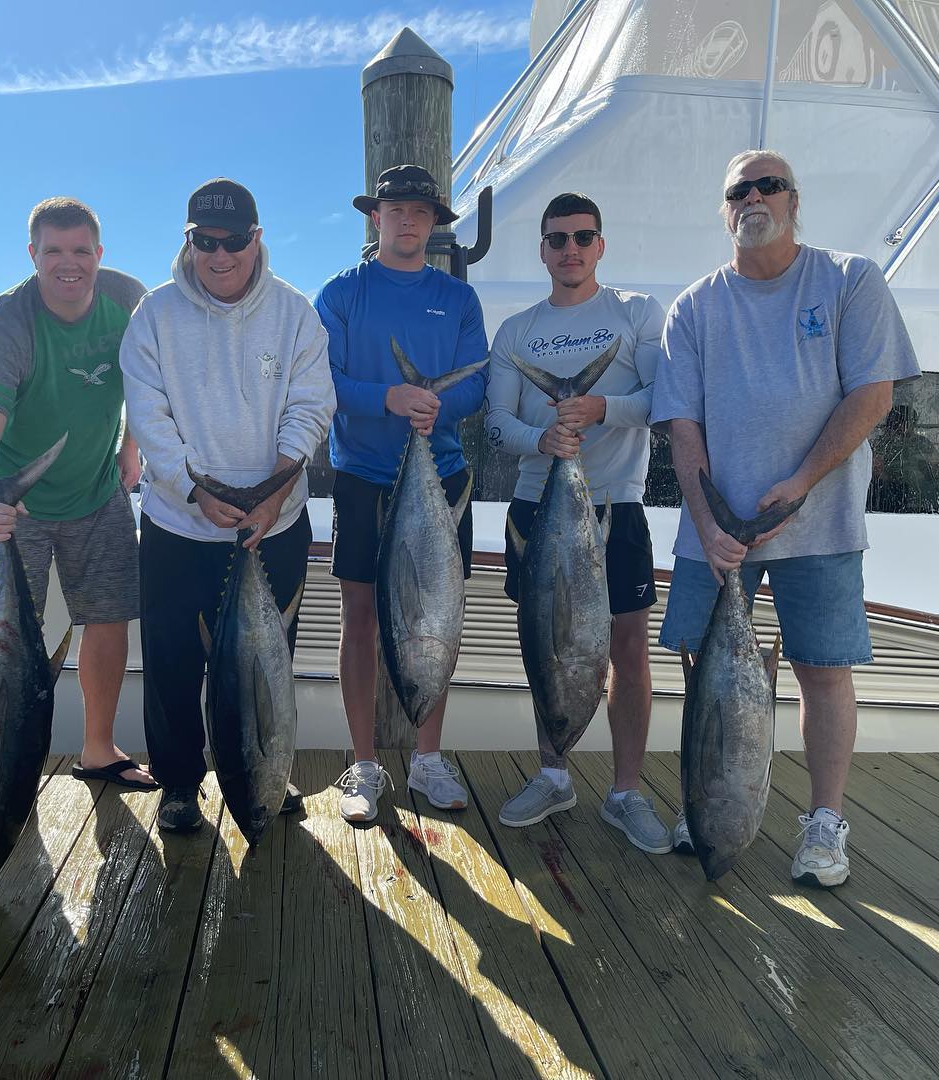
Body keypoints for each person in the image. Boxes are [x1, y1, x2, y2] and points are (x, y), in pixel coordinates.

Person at [651, 150, 920, 887]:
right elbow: (682, 427)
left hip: (819, 522)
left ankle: (825, 823)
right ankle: (707, 800)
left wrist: (800, 483)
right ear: (725, 210)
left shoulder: (850, 279)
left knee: (823, 674)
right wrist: (708, 524)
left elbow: (873, 396)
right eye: (739, 190)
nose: (754, 198)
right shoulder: (693, 308)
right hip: (716, 535)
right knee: (698, 673)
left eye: (770, 186)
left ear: (794, 202)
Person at [119, 178, 335, 832]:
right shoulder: (153, 315)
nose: (219, 255)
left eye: (233, 240)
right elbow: (148, 415)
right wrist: (192, 488)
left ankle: (268, 769)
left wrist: (275, 491)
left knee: (269, 667)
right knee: (172, 664)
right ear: (189, 241)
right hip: (178, 524)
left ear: (256, 238)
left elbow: (312, 404)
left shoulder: (295, 313)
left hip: (276, 523)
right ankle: (180, 784)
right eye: (204, 242)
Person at [486, 191, 670, 852]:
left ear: (600, 245)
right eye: (557, 238)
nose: (570, 249)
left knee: (628, 648)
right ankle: (553, 775)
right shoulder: (516, 332)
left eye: (582, 237)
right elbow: (497, 422)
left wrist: (599, 410)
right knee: (546, 642)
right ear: (542, 249)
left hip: (616, 503)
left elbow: (660, 399)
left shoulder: (637, 312)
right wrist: (542, 440)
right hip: (538, 503)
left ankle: (625, 792)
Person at [0, 198, 154, 791]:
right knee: (7, 636)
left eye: (81, 250)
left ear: (99, 254)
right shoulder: (10, 319)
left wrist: (131, 446)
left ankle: (98, 748)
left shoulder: (128, 299)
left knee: (109, 617)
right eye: (54, 251)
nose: (70, 263)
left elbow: (149, 383)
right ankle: (3, 765)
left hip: (97, 490)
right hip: (18, 508)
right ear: (32, 254)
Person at [316, 164, 489, 823]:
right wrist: (387, 398)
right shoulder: (341, 293)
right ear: (376, 217)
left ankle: (427, 759)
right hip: (363, 475)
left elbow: (477, 384)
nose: (408, 220)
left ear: (434, 222)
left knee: (438, 614)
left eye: (421, 210)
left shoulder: (459, 299)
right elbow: (323, 380)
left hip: (440, 475)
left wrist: (436, 408)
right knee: (358, 615)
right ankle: (364, 764)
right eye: (396, 209)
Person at [869, 402, 939, 513]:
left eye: (908, 422)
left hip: (921, 498)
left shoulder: (923, 443)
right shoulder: (881, 443)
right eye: (898, 422)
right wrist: (889, 480)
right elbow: (874, 470)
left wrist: (927, 470)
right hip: (887, 495)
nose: (903, 426)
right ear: (891, 423)